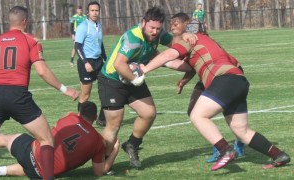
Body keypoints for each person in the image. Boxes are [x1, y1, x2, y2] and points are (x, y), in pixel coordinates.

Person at [141, 18, 291, 171]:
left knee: (197, 115)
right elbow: (186, 65)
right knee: (241, 131)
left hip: (225, 80)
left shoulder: (192, 39)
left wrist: (144, 70)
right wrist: (175, 72)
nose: (176, 31)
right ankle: (279, 155)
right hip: (238, 81)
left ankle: (225, 150)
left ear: (190, 31)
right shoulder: (210, 42)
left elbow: (168, 55)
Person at [98, 7, 197, 168]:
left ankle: (132, 145)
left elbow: (176, 45)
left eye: (158, 28)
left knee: (148, 113)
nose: (155, 32)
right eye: (152, 28)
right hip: (112, 80)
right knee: (114, 124)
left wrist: (184, 35)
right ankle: (103, 161)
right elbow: (118, 64)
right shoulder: (133, 39)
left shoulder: (159, 34)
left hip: (133, 77)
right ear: (143, 23)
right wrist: (135, 80)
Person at [0, 6, 79, 180]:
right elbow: (42, 71)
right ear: (25, 21)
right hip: (17, 96)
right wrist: (65, 89)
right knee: (46, 140)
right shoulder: (30, 41)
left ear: (10, 22)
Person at [169, 13, 245, 163]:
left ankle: (237, 141)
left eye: (176, 24)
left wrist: (187, 34)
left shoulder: (195, 35)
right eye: (171, 24)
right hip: (209, 76)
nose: (172, 27)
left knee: (230, 113)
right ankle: (219, 147)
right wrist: (184, 81)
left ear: (186, 24)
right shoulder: (184, 38)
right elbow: (192, 65)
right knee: (193, 110)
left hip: (227, 73)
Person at [0, 101, 119, 178]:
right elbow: (99, 172)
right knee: (34, 168)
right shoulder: (98, 141)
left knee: (8, 140)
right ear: (96, 117)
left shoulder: (71, 117)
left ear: (79, 113)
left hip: (31, 153)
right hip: (42, 174)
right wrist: (114, 151)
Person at [75, 2, 107, 127]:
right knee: (85, 94)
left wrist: (106, 59)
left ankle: (102, 119)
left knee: (106, 90)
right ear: (88, 12)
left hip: (99, 62)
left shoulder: (99, 25)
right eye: (92, 10)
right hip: (86, 63)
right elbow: (77, 46)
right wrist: (86, 63)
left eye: (97, 10)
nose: (95, 13)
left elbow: (101, 44)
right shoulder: (83, 26)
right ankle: (79, 122)